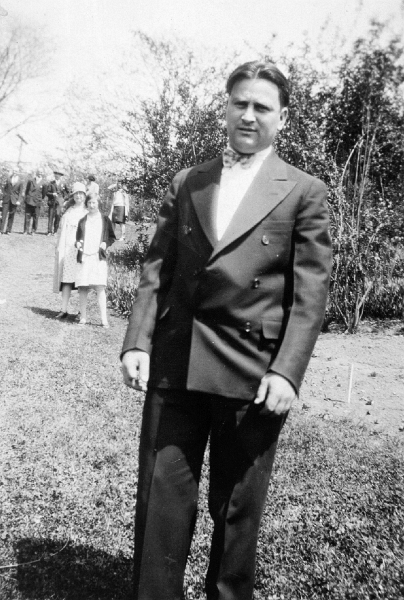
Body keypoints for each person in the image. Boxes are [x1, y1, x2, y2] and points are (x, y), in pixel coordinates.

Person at [120, 60, 332, 600]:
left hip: (252, 371)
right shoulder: (188, 181)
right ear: (226, 107)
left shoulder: (304, 191)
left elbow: (310, 295)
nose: (249, 115)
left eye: (262, 107)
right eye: (240, 103)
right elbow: (157, 268)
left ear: (283, 118)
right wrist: (137, 341)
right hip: (176, 361)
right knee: (160, 499)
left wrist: (287, 372)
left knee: (237, 510)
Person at [75, 193, 116, 327]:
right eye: (89, 203)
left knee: (100, 287)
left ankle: (104, 319)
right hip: (85, 257)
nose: (91, 205)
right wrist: (78, 244)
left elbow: (112, 237)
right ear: (86, 204)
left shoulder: (105, 220)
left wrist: (105, 243)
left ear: (98, 204)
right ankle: (83, 317)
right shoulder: (83, 220)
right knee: (83, 287)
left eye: (94, 203)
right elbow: (78, 238)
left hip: (98, 257)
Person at [53, 182, 88, 319]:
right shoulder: (69, 211)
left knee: (82, 281)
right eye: (76, 194)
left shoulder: (87, 212)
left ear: (85, 195)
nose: (78, 196)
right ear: (73, 196)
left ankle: (81, 311)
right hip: (68, 249)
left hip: (82, 250)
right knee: (66, 280)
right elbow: (62, 230)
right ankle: (64, 309)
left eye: (81, 193)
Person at [0, 169, 24, 235]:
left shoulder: (20, 181)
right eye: (14, 171)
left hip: (14, 200)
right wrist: (1, 198)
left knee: (11, 215)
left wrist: (19, 200)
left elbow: (20, 192)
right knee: (3, 215)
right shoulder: (8, 179)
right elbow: (4, 189)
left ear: (18, 172)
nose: (15, 172)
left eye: (16, 171)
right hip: (6, 199)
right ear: (13, 171)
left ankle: (8, 230)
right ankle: (0, 230)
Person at [46, 169, 69, 235]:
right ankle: (49, 231)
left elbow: (68, 192)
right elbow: (47, 192)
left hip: (60, 203)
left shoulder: (63, 183)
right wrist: (52, 194)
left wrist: (64, 199)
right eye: (56, 174)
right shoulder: (51, 183)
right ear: (54, 175)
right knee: (50, 216)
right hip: (52, 201)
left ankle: (55, 231)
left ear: (60, 176)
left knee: (58, 216)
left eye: (59, 175)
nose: (57, 176)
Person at [23, 170, 46, 235]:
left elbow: (44, 193)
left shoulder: (44, 183)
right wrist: (27, 198)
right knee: (27, 215)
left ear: (43, 173)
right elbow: (27, 190)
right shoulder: (31, 180)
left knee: (36, 217)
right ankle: (26, 230)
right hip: (29, 200)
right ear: (36, 173)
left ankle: (33, 231)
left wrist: (39, 198)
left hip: (37, 201)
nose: (40, 173)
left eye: (41, 172)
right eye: (39, 172)